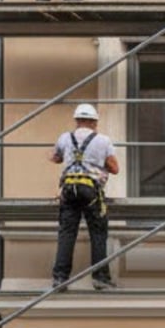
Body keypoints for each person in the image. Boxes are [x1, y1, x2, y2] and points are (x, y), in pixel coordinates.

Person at [50, 103, 120, 290]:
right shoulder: (103, 140)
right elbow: (115, 168)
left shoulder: (65, 137)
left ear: (77, 121)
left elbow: (55, 158)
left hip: (69, 188)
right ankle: (100, 277)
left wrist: (72, 156)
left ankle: (60, 278)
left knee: (67, 232)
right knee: (97, 233)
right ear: (94, 121)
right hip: (91, 190)